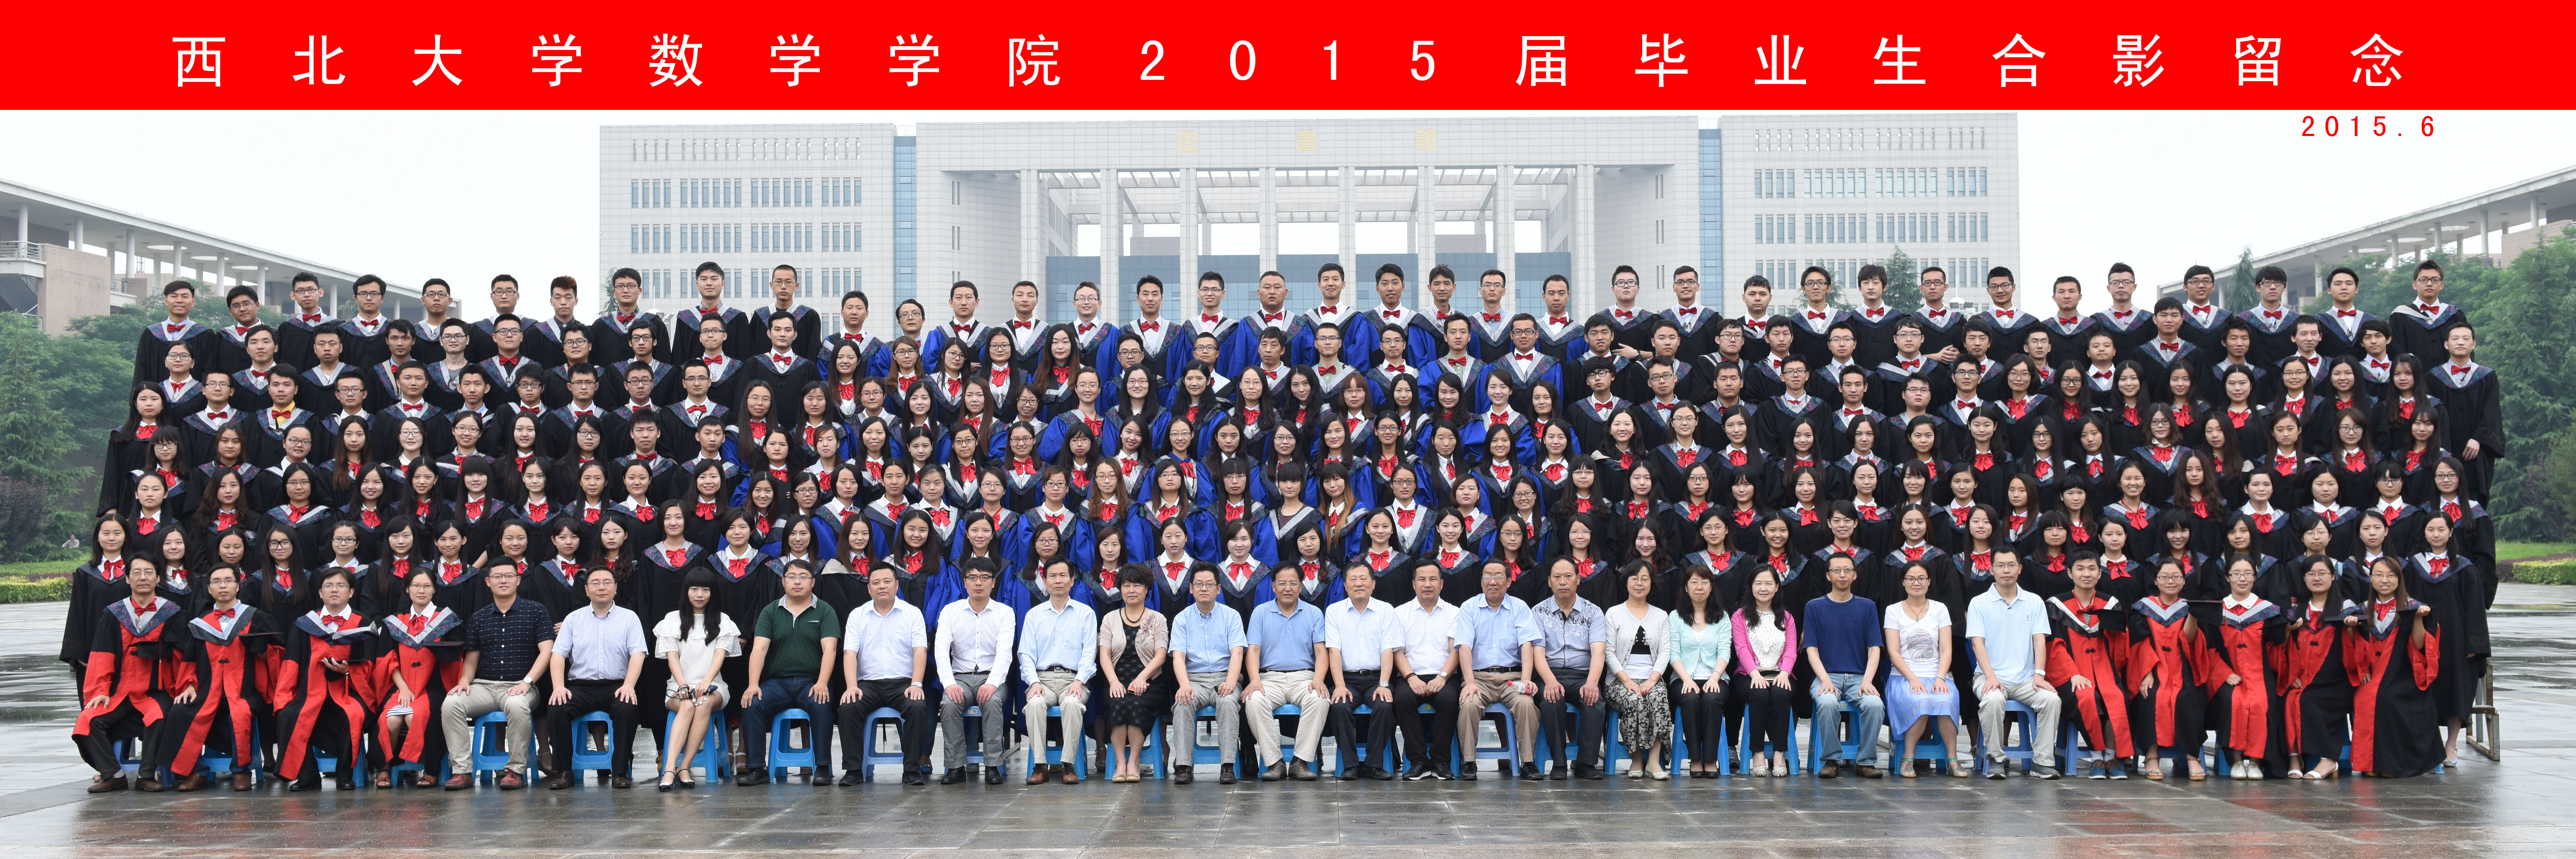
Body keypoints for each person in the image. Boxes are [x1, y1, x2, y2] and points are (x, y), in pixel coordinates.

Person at [72, 557, 182, 793]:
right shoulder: (114, 614)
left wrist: (182, 687)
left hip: (156, 691)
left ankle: (146, 776)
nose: (143, 578)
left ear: (158, 578)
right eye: (137, 573)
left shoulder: (173, 613)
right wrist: (100, 690)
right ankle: (113, 774)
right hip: (119, 692)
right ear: (127, 579)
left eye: (149, 572)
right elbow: (102, 656)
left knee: (159, 716)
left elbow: (181, 657)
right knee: (87, 719)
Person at [441, 562, 552, 790]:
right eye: (498, 576)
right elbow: (472, 659)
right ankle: (462, 771)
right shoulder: (479, 617)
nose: (504, 581)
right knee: (451, 703)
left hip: (522, 686)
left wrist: (527, 682)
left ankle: (515, 771)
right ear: (488, 582)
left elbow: (547, 651)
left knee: (517, 705)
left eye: (509, 576)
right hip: (484, 687)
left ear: (518, 580)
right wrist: (464, 682)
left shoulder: (537, 611)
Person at [165, 564, 274, 792]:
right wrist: (190, 685)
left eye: (228, 581)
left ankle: (241, 772)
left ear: (238, 586)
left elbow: (275, 657)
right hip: (208, 690)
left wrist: (262, 650)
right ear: (209, 589)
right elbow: (189, 660)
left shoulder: (257, 618)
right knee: (179, 711)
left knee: (241, 712)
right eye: (217, 581)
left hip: (246, 691)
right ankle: (197, 772)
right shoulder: (199, 624)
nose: (223, 586)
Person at [737, 560, 841, 786]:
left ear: (813, 583)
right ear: (783, 582)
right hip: (779, 684)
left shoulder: (825, 610)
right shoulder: (771, 611)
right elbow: (759, 650)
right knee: (752, 703)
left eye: (804, 577)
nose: (797, 582)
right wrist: (753, 684)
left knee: (821, 703)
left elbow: (830, 650)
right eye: (792, 577)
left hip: (812, 682)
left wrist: (823, 682)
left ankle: (823, 767)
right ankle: (757, 768)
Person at [545, 567, 648, 789]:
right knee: (557, 707)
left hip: (617, 685)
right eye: (595, 583)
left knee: (627, 708)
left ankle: (620, 771)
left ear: (616, 588)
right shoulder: (573, 619)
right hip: (580, 687)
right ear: (586, 590)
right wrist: (559, 687)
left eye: (607, 582)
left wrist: (629, 686)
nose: (602, 587)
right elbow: (558, 656)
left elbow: (638, 654)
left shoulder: (629, 618)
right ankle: (563, 771)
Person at [276, 565, 374, 791]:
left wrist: (347, 671)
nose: (334, 590)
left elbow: (370, 667)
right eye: (329, 586)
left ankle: (344, 775)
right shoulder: (304, 624)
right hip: (310, 692)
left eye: (341, 585)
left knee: (353, 714)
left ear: (351, 592)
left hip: (349, 692)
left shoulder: (364, 625)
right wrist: (284, 698)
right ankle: (308, 777)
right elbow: (291, 663)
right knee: (288, 715)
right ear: (320, 593)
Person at [834, 563, 933, 786]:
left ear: (897, 585)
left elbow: (921, 651)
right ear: (869, 588)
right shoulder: (858, 615)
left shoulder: (912, 613)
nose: (882, 587)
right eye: (876, 583)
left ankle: (912, 770)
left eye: (887, 582)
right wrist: (852, 686)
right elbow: (850, 653)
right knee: (848, 707)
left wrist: (917, 684)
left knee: (917, 707)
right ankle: (853, 770)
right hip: (868, 684)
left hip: (903, 684)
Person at [1967, 549, 2062, 779]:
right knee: (1992, 700)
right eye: (2000, 566)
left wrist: (2039, 674)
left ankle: (2042, 762)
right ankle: (1996, 759)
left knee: (2051, 700)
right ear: (1991, 570)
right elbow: (1978, 644)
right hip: (1989, 676)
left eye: (2011, 565)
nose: (2006, 570)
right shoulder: (1979, 603)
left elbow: (2040, 641)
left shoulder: (2034, 602)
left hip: (2026, 679)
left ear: (2020, 569)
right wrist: (1991, 677)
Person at [2348, 558, 2443, 777]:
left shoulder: (2413, 607)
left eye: (2391, 576)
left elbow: (2421, 647)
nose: (2385, 580)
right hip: (2372, 673)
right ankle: (2371, 764)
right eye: (2379, 575)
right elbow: (2356, 649)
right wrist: (2351, 630)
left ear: (2400, 579)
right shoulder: (2361, 610)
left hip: (2404, 673)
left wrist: (2418, 619)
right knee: (2367, 696)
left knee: (2386, 697)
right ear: (2371, 579)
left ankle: (2393, 765)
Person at [2045, 552, 2135, 779]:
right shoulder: (2056, 606)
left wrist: (2112, 674)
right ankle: (2097, 758)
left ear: (2100, 573)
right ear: (2070, 573)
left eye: (2092, 569)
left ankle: (2112, 758)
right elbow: (2055, 647)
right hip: (2070, 675)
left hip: (2105, 671)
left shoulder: (2111, 605)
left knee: (2116, 696)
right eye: (2081, 569)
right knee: (2086, 697)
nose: (2087, 574)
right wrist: (2073, 674)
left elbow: (2120, 647)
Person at [1454, 560, 1545, 781]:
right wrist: (1470, 682)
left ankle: (1528, 762)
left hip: (1512, 678)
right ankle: (1469, 762)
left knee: (1526, 704)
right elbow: (1464, 647)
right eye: (1487, 576)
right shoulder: (1469, 607)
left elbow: (1527, 645)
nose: (1492, 582)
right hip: (1479, 678)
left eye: (1498, 576)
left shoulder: (1520, 608)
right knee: (1469, 704)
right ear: (1481, 581)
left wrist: (1526, 680)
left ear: (1509, 581)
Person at [372, 568, 462, 788]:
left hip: (433, 687)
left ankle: (431, 769)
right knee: (391, 720)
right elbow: (387, 659)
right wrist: (403, 688)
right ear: (407, 589)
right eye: (416, 586)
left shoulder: (447, 621)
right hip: (401, 687)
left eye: (427, 586)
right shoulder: (395, 623)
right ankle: (384, 768)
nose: (422, 591)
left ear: (434, 590)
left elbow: (455, 659)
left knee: (416, 716)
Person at [1882, 561, 1971, 777]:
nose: (1917, 583)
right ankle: (1908, 757)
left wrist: (1941, 678)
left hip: (1936, 675)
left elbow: (1947, 650)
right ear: (1903, 582)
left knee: (1947, 700)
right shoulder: (1893, 611)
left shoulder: (1940, 609)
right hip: (1904, 677)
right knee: (1921, 701)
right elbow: (1894, 652)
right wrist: (1913, 679)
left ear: (1929, 582)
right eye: (1911, 579)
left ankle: (1952, 759)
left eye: (1922, 579)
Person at [1243, 565, 1331, 781]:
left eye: (1293, 583)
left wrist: (1319, 679)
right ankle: (1275, 763)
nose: (1288, 588)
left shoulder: (1314, 613)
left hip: (1304, 678)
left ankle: (1301, 762)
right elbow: (1253, 651)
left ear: (1301, 586)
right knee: (1254, 701)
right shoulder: (1261, 613)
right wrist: (1255, 680)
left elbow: (1322, 652)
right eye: (1282, 583)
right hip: (1269, 678)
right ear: (1274, 587)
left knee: (1320, 699)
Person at [654, 568, 739, 790]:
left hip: (714, 686)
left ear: (713, 593)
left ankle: (685, 766)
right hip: (678, 685)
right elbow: (672, 659)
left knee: (702, 702)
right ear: (686, 591)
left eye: (705, 590)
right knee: (688, 705)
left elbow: (720, 657)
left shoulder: (722, 620)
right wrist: (683, 685)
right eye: (694, 589)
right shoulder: (672, 619)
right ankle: (670, 768)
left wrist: (707, 680)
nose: (700, 595)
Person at [1803, 552, 1887, 778]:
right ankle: (1831, 760)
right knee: (1827, 702)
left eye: (1848, 570)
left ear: (1855, 575)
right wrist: (1825, 680)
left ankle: (1866, 761)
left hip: (1859, 677)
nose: (1843, 575)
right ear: (1828, 576)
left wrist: (1868, 680)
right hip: (1827, 675)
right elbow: (1812, 650)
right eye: (1837, 570)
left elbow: (1875, 648)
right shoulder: (1814, 607)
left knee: (1875, 705)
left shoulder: (1867, 607)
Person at [933, 558, 1016, 785]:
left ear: (993, 582)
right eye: (973, 578)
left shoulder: (1005, 613)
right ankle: (955, 767)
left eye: (984, 578)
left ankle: (993, 766)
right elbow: (941, 650)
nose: (978, 583)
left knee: (992, 702)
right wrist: (949, 684)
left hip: (993, 677)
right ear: (965, 582)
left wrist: (993, 683)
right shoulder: (951, 612)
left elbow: (1005, 653)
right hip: (960, 678)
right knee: (949, 704)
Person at [1020, 559, 1099, 785]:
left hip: (1073, 679)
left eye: (1063, 575)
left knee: (1073, 704)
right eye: (1053, 576)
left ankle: (1068, 765)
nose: (1058, 581)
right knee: (1034, 704)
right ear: (1045, 581)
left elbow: (1089, 654)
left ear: (1072, 581)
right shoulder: (1034, 615)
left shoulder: (1085, 614)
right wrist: (1034, 682)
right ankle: (1040, 766)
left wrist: (1079, 681)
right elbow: (1025, 655)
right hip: (1042, 679)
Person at [1165, 564, 1245, 785]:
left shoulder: (1231, 616)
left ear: (1218, 589)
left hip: (1225, 677)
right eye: (1199, 584)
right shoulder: (1182, 619)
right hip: (1195, 681)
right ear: (1191, 589)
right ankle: (1184, 767)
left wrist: (1231, 681)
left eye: (1210, 585)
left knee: (1228, 703)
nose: (1204, 589)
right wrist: (1184, 685)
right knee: (1183, 704)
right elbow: (1178, 657)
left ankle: (1227, 766)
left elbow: (1238, 653)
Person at [1529, 558, 1606, 780]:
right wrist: (1550, 681)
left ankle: (1586, 763)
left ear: (1578, 580)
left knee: (1595, 700)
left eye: (1568, 576)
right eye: (1557, 577)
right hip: (1550, 673)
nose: (1563, 582)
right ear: (1549, 582)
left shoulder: (1593, 612)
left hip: (1582, 675)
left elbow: (1599, 652)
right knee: (1551, 699)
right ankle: (1559, 763)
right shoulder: (1538, 612)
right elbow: (1537, 653)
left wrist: (1592, 683)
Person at [1323, 560, 1400, 781]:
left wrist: (1384, 684)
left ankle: (1374, 765)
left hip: (1377, 677)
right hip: (1347, 679)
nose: (1359, 584)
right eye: (1353, 580)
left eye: (1364, 579)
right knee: (1339, 706)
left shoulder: (1386, 610)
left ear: (1373, 584)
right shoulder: (1334, 612)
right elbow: (1334, 652)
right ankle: (1351, 765)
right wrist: (1339, 686)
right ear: (1345, 585)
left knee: (1385, 705)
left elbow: (1388, 651)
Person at [1386, 560, 1462, 780]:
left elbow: (1456, 651)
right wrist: (1411, 678)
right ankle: (1418, 760)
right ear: (1414, 584)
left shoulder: (1454, 613)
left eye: (1433, 579)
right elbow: (1397, 652)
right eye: (1422, 579)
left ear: (1442, 584)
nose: (1427, 584)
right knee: (1402, 700)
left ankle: (1440, 761)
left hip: (1444, 676)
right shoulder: (1400, 613)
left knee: (1449, 700)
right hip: (1410, 676)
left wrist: (1443, 677)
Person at [1095, 565, 1170, 783]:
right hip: (1117, 681)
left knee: (1136, 704)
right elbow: (1104, 655)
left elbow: (1161, 656)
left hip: (1150, 682)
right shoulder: (1110, 619)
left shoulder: (1158, 619)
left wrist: (1142, 678)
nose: (1131, 590)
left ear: (1147, 590)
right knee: (1119, 703)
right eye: (1126, 586)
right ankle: (1120, 763)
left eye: (1137, 586)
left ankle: (1134, 763)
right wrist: (1113, 682)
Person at [1602, 560, 1673, 779]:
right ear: (1627, 582)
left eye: (1645, 579)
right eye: (1634, 579)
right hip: (1619, 681)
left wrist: (1652, 681)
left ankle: (1654, 761)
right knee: (1634, 702)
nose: (1639, 583)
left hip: (1651, 678)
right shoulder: (1614, 614)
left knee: (1659, 699)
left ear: (1652, 583)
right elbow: (1609, 652)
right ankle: (1636, 759)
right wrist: (1627, 682)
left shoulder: (1661, 615)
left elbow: (1665, 651)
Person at [1731, 566, 1800, 777]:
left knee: (1781, 694)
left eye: (1769, 584)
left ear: (1777, 587)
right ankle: (1758, 752)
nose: (1764, 588)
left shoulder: (1787, 617)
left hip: (1780, 673)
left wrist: (1785, 673)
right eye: (1758, 584)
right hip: (1749, 675)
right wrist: (1755, 674)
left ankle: (1780, 753)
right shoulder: (1740, 616)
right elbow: (1741, 649)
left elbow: (1791, 649)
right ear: (1751, 587)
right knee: (1759, 694)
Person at [1667, 566, 1731, 778]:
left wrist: (1715, 677)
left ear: (1711, 587)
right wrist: (1687, 679)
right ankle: (1695, 758)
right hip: (1683, 678)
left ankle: (1710, 759)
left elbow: (1725, 651)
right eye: (1694, 582)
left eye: (1704, 582)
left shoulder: (1722, 617)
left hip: (1716, 676)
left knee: (1712, 699)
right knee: (1691, 699)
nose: (1699, 587)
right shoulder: (1675, 617)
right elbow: (1674, 653)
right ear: (1686, 588)